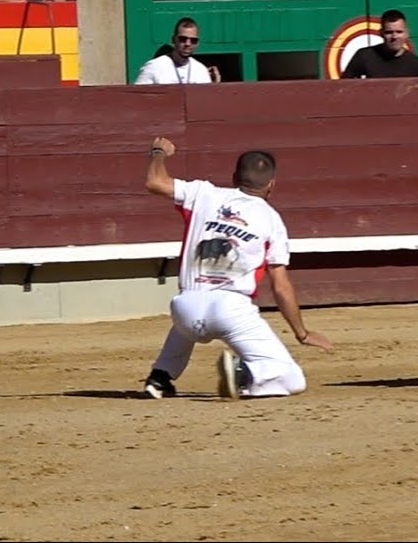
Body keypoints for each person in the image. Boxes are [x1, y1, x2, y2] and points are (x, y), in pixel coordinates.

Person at [140, 136, 333, 401]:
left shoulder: (203, 193)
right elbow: (280, 286)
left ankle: (160, 378)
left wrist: (158, 152)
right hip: (231, 311)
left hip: (184, 309)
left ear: (234, 177)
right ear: (271, 185)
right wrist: (301, 332)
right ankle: (247, 376)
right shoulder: (271, 220)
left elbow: (154, 182)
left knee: (188, 319)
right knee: (294, 381)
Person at [342, 9, 418, 78]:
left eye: (399, 32)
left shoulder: (416, 65)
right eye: (389, 32)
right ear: (381, 33)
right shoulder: (364, 56)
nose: (394, 37)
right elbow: (344, 87)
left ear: (407, 33)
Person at [134, 17, 219, 84]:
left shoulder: (201, 71)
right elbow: (137, 98)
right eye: (183, 39)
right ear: (173, 40)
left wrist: (215, 87)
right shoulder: (153, 67)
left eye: (193, 40)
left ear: (197, 43)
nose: (188, 44)